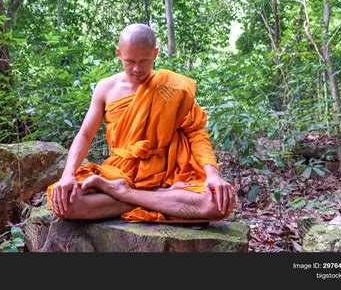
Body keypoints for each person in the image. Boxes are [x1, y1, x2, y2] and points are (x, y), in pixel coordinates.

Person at [47, 23, 236, 223]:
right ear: (119, 53)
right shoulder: (106, 88)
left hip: (169, 175)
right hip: (122, 171)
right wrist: (67, 175)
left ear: (155, 54)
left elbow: (196, 134)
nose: (137, 69)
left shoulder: (172, 88)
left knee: (219, 203)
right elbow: (85, 135)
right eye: (129, 61)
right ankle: (160, 198)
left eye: (144, 61)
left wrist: (213, 175)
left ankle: (125, 194)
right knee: (65, 202)